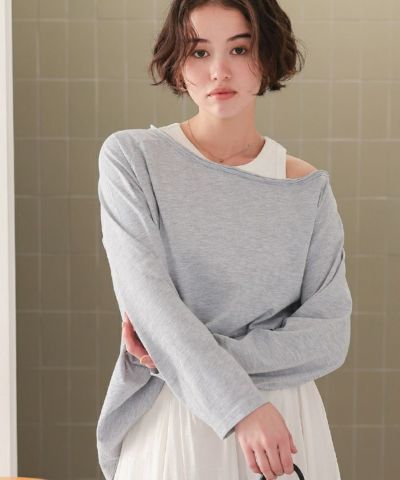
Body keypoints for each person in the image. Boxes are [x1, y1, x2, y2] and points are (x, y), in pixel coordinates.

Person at [96, 1, 352, 480]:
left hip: (285, 422)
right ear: (177, 63)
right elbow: (148, 304)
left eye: (240, 48)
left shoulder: (306, 188)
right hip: (177, 419)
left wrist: (171, 354)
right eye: (199, 52)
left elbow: (329, 337)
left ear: (268, 55)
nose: (219, 70)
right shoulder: (133, 159)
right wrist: (241, 407)